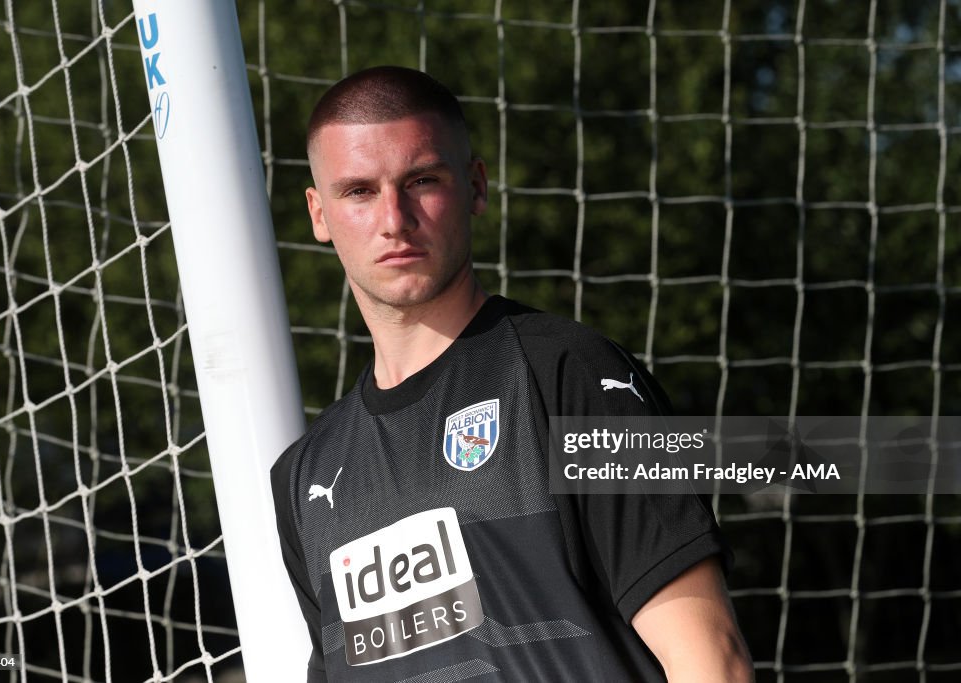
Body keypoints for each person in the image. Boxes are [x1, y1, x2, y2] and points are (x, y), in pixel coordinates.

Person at [271, 65, 753, 682]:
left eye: (421, 180)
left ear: (475, 186)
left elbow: (712, 660)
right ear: (318, 213)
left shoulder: (572, 379)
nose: (394, 218)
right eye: (359, 192)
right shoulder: (305, 477)